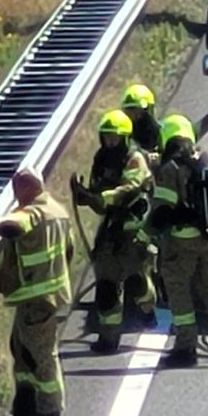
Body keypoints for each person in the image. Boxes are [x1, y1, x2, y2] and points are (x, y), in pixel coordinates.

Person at [0, 167, 74, 416]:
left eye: (17, 191)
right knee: (21, 350)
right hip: (47, 296)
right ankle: (26, 407)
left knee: (41, 354)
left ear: (26, 188)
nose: (15, 197)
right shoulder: (59, 212)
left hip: (36, 298)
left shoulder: (33, 212)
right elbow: (69, 250)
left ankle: (49, 412)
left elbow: (15, 224)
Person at [146, 113, 208, 368]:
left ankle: (185, 349)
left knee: (179, 295)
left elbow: (162, 211)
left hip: (180, 245)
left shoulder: (170, 169)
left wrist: (143, 235)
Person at [70, 110, 156, 353]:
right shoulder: (101, 158)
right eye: (106, 137)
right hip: (110, 229)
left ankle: (147, 308)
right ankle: (109, 339)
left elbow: (129, 188)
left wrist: (101, 198)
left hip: (133, 228)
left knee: (136, 282)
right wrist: (85, 196)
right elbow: (100, 195)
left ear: (125, 138)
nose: (110, 142)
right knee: (106, 287)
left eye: (114, 138)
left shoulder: (134, 158)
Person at [119, 83, 162, 159]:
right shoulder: (123, 140)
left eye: (138, 112)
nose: (135, 117)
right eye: (129, 111)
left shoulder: (163, 135)